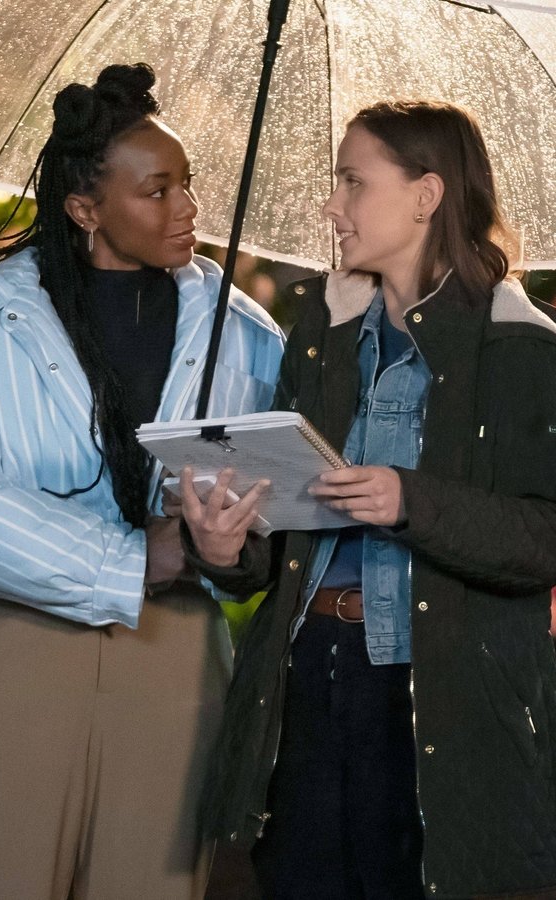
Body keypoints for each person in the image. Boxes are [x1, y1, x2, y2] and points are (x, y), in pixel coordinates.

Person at [180, 99, 556, 899]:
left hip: (443, 698)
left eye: (354, 181)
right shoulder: (323, 333)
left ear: (427, 195)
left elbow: (542, 540)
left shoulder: (522, 347)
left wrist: (408, 500)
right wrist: (228, 548)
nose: (332, 205)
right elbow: (281, 538)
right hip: (307, 676)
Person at [0, 62, 284, 900]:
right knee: (1, 876)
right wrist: (142, 557)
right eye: (157, 191)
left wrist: (228, 553)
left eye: (189, 183)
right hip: (26, 646)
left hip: (179, 658)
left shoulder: (248, 335)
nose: (188, 207)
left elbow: (272, 527)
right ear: (84, 209)